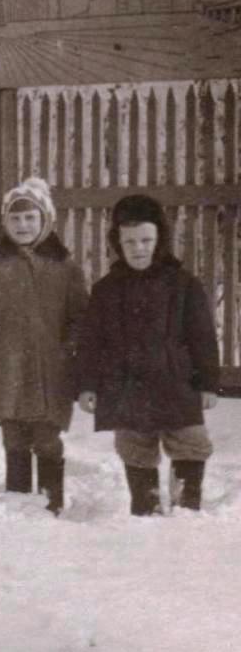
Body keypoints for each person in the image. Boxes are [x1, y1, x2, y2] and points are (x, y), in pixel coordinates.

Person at [78, 193, 220, 515]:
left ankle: (186, 506)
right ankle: (145, 508)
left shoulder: (183, 284)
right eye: (130, 242)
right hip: (127, 384)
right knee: (135, 446)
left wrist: (208, 383)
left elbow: (202, 338)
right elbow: (90, 344)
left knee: (190, 442)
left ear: (159, 240)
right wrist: (87, 385)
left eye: (146, 240)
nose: (139, 248)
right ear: (118, 243)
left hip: (176, 382)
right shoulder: (106, 290)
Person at [0, 177, 88, 513]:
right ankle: (19, 504)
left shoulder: (65, 268)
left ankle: (50, 502)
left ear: (46, 220)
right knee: (14, 438)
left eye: (31, 217)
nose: (23, 225)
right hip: (6, 371)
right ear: (5, 223)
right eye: (15, 219)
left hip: (49, 373)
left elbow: (81, 318)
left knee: (46, 438)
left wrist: (68, 350)